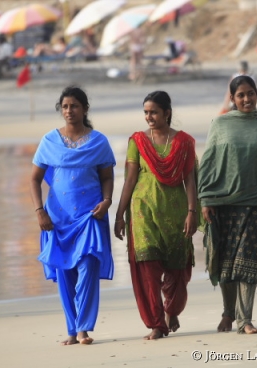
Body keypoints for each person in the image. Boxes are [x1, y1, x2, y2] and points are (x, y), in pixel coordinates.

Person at [29, 86, 116, 345]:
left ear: (85, 109)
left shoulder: (98, 141)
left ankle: (83, 329)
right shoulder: (50, 141)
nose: (69, 111)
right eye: (65, 106)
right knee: (65, 272)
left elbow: (107, 176)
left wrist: (107, 201)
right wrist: (39, 211)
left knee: (88, 266)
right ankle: (71, 328)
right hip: (57, 219)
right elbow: (34, 180)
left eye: (74, 106)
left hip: (90, 216)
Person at [198, 75, 257, 335]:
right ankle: (228, 312)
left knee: (248, 261)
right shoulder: (221, 125)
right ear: (232, 99)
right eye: (241, 95)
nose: (247, 99)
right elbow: (209, 162)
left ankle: (244, 320)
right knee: (226, 262)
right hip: (224, 202)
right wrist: (206, 199)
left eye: (251, 93)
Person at [114, 91, 198, 340]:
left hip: (175, 211)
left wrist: (192, 212)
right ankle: (156, 324)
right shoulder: (137, 141)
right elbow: (130, 179)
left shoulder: (184, 143)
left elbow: (190, 180)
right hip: (142, 212)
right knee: (147, 267)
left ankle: (171, 310)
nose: (149, 117)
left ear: (167, 113)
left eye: (153, 112)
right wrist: (119, 215)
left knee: (178, 270)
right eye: (146, 112)